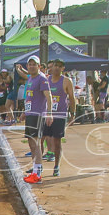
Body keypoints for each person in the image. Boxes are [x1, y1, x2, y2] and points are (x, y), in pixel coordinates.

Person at [21, 56, 54, 184]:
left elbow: (48, 95)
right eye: (29, 64)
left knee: (36, 142)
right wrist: (25, 112)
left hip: (38, 114)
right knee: (30, 142)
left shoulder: (42, 79)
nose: (31, 66)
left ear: (39, 66)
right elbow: (29, 97)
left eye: (34, 64)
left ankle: (38, 172)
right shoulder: (30, 78)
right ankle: (35, 168)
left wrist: (49, 113)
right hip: (30, 114)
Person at [44, 59, 76, 177]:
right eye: (54, 66)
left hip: (60, 115)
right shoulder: (46, 80)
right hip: (47, 114)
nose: (56, 68)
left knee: (57, 142)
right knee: (41, 138)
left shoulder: (67, 81)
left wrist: (73, 113)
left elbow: (72, 98)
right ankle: (37, 165)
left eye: (59, 66)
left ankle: (56, 165)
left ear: (63, 68)